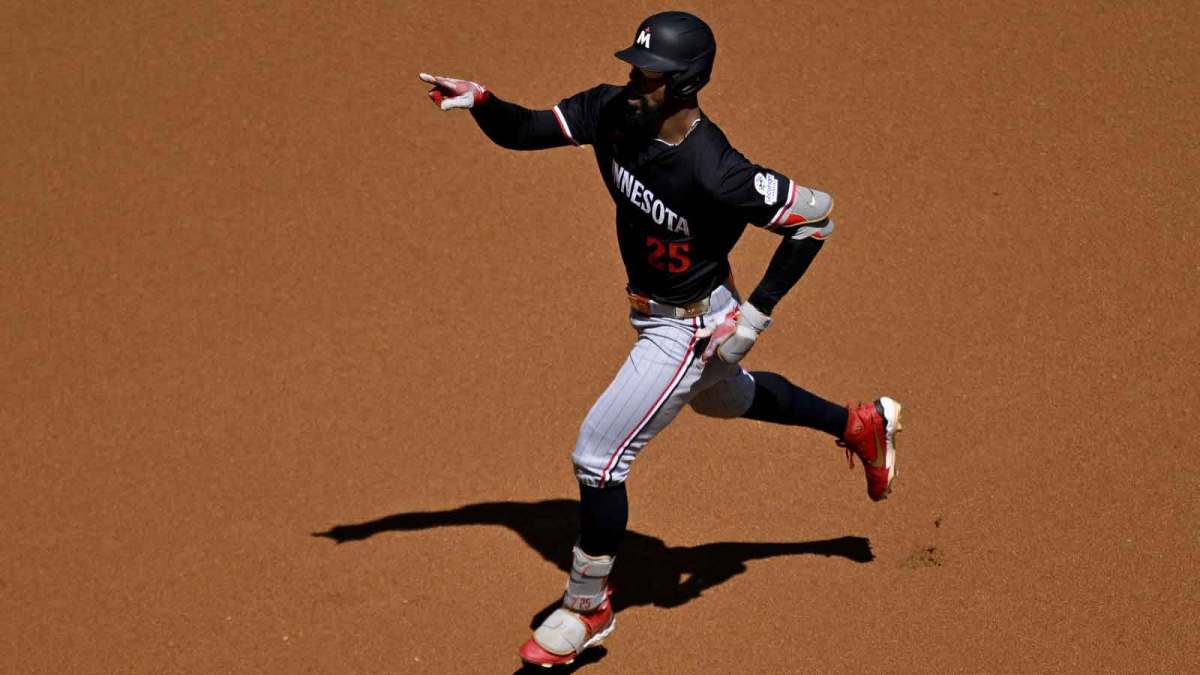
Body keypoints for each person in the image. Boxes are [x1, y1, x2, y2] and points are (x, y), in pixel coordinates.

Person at [419, 11, 903, 669]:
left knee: (597, 456)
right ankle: (859, 423)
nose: (633, 82)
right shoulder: (611, 112)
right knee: (726, 400)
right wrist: (481, 101)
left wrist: (756, 317)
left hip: (690, 327)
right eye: (634, 68)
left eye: (649, 75)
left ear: (687, 84)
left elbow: (814, 220)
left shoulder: (717, 168)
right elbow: (528, 129)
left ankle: (587, 603)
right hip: (661, 313)